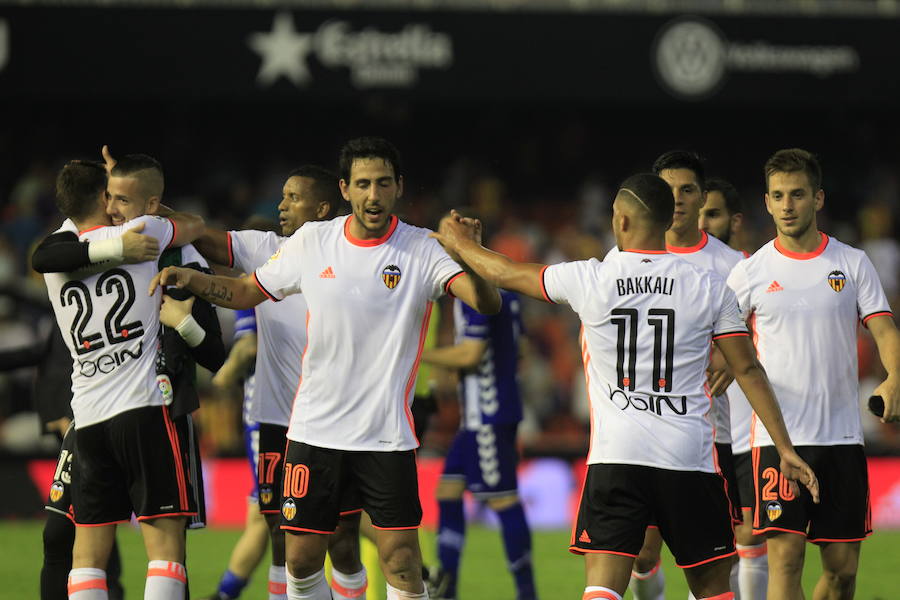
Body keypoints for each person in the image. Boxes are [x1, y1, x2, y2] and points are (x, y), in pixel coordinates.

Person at [430, 173, 818, 600]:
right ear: (668, 219)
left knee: (603, 587)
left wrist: (461, 244)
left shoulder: (591, 278)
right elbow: (748, 371)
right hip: (688, 459)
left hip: (617, 458)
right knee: (712, 589)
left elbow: (504, 273)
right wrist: (784, 448)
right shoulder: (708, 287)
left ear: (622, 222)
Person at [150, 137, 501, 600]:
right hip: (314, 431)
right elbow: (245, 293)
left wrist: (469, 259)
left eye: (382, 183)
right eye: (362, 184)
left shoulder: (422, 249)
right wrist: (195, 279)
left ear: (399, 187)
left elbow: (487, 303)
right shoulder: (314, 242)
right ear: (345, 189)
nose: (372, 195)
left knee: (399, 559)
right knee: (300, 559)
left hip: (386, 435)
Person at [726, 148, 900, 600]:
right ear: (766, 202)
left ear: (818, 199)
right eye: (778, 195)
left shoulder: (853, 263)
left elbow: (884, 329)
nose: (787, 205)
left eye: (798, 194)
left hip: (841, 437)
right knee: (785, 562)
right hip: (776, 439)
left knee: (842, 573)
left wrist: (894, 376)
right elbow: (720, 339)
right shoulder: (751, 272)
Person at [191, 165, 368, 600]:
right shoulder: (266, 250)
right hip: (277, 419)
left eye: (293, 197)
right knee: (279, 531)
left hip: (339, 421)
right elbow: (201, 234)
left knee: (343, 540)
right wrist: (148, 210)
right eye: (282, 196)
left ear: (323, 207)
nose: (281, 206)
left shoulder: (358, 256)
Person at [42, 159, 204, 600]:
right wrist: (149, 200)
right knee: (166, 550)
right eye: (111, 193)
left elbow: (47, 252)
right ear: (104, 196)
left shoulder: (58, 253)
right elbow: (194, 224)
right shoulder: (143, 231)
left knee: (88, 555)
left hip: (88, 420)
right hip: (143, 408)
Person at [606, 152, 745, 600]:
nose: (678, 199)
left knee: (711, 562)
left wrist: (731, 356)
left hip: (717, 433)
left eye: (688, 190)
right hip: (643, 430)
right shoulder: (620, 259)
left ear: (703, 197)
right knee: (644, 554)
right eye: (668, 190)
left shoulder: (734, 266)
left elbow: (757, 340)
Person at [423, 286, 537, 600]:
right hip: (481, 415)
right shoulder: (507, 293)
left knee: (503, 499)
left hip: (487, 413)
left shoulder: (474, 293)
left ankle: (527, 593)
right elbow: (522, 346)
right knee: (447, 491)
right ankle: (446, 589)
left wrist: (418, 354)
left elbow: (470, 354)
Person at [699, 177, 768, 599]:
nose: (704, 222)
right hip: (690, 428)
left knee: (748, 536)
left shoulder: (749, 268)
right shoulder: (665, 264)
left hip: (743, 428)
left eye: (714, 213)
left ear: (735, 221)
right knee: (654, 554)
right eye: (700, 211)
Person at [202, 308, 272, 600]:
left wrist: (218, 382)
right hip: (305, 409)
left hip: (267, 415)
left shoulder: (257, 280)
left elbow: (248, 345)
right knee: (267, 515)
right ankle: (224, 594)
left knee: (268, 514)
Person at [699, 178, 748, 254]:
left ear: (735, 222)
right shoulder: (678, 264)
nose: (701, 226)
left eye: (712, 215)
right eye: (695, 216)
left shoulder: (754, 265)